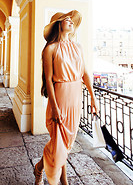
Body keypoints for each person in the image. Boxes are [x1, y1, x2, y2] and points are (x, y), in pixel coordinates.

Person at [34, 10, 99, 185]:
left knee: (64, 145)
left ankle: (40, 168)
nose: (71, 22)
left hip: (75, 98)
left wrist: (93, 98)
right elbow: (48, 80)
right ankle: (60, 180)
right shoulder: (50, 48)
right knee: (58, 145)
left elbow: (85, 73)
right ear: (58, 24)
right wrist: (54, 107)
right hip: (60, 98)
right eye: (67, 20)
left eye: (72, 20)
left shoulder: (78, 47)